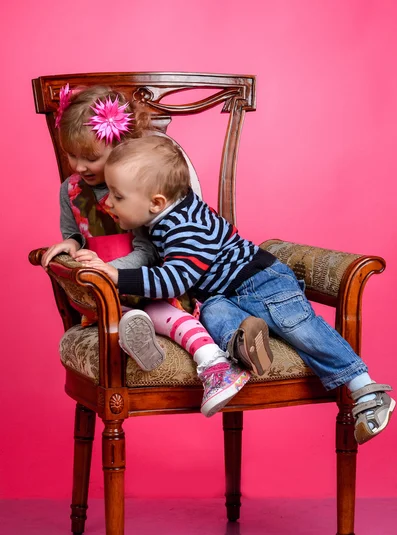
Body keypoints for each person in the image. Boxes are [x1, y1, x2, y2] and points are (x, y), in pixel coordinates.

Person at [78, 135, 395, 444]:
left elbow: (173, 281)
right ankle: (244, 346)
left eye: (118, 197)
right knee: (215, 315)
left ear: (156, 201)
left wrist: (116, 276)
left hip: (260, 281)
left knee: (298, 328)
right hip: (223, 294)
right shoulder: (164, 215)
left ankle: (366, 389)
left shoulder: (185, 227)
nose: (109, 202)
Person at [41, 85, 253, 417]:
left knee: (162, 313)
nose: (79, 166)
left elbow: (149, 250)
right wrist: (71, 243)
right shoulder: (69, 190)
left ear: (120, 147)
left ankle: (210, 359)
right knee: (123, 315)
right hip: (101, 290)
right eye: (72, 155)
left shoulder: (134, 194)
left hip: (144, 283)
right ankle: (139, 339)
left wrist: (113, 271)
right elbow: (74, 232)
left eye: (91, 157)